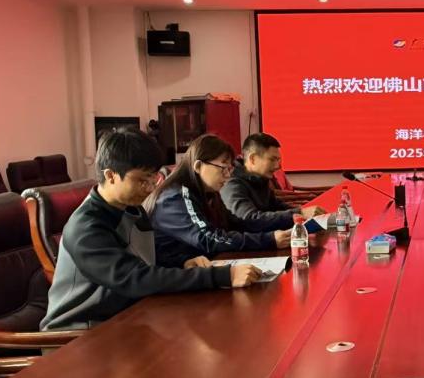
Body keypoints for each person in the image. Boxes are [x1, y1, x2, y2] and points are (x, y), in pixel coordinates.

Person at [41, 129, 261, 331]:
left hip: (127, 319)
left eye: (153, 178)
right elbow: (134, 278)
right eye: (141, 180)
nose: (149, 188)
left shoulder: (133, 210)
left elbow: (147, 259)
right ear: (110, 175)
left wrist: (182, 263)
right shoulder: (86, 227)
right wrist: (222, 275)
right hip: (78, 334)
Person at [147, 134, 292, 268]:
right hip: (174, 274)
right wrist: (268, 240)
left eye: (230, 169)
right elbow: (208, 238)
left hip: (202, 266)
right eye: (223, 168)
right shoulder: (176, 195)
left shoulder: (209, 193)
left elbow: (236, 223)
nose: (228, 175)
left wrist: (280, 232)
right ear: (198, 166)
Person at [221, 132, 324, 228]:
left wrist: (303, 211)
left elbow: (276, 206)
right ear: (253, 159)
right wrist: (299, 213)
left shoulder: (259, 178)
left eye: (278, 160)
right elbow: (249, 220)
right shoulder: (232, 184)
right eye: (272, 159)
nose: (277, 166)